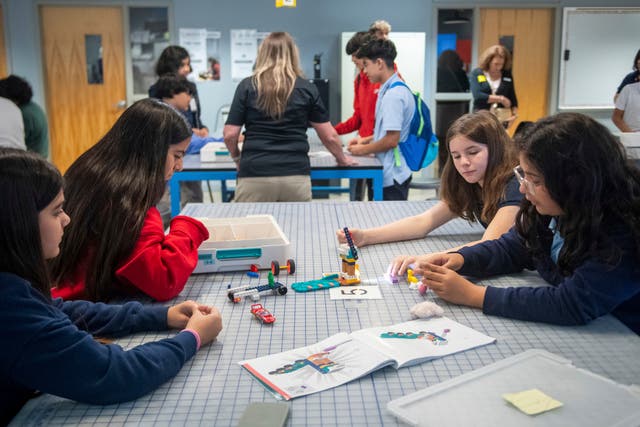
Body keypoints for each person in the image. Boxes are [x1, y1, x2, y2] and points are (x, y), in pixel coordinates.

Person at [0, 148, 223, 424]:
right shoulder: (12, 312)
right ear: (17, 224)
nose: (67, 219)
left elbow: (59, 310)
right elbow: (113, 373)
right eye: (56, 211)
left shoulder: (13, 285)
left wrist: (160, 316)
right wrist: (192, 338)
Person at [415, 113, 640, 334]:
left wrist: (473, 295)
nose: (523, 188)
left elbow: (572, 304)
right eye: (524, 176)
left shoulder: (623, 233)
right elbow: (513, 247)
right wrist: (460, 259)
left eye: (535, 180)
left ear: (574, 182)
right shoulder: (553, 208)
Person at [50, 99, 210, 302]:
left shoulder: (88, 170)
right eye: (177, 155)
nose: (180, 166)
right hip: (86, 308)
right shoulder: (131, 203)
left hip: (62, 294)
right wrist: (185, 230)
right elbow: (163, 280)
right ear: (153, 151)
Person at [340, 111, 522, 273]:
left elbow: (488, 245)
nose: (464, 162)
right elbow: (424, 222)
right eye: (456, 156)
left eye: (473, 152)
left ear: (496, 148)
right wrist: (365, 236)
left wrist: (429, 259)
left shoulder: (515, 185)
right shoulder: (470, 183)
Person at [223, 32, 354, 202]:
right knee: (296, 228)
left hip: (254, 173)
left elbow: (230, 134)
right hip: (295, 175)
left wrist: (237, 158)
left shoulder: (247, 86)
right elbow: (329, 136)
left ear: (262, 54)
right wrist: (341, 159)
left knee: (254, 228)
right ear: (293, 54)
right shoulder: (307, 88)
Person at [348, 38, 414, 200]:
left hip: (392, 177)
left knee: (387, 223)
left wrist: (361, 150)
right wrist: (366, 140)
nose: (364, 71)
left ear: (379, 63)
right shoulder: (391, 89)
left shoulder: (394, 95)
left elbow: (392, 140)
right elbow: (390, 131)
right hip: (388, 173)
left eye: (366, 65)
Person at [149, 46, 206, 206]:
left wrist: (202, 129)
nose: (187, 69)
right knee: (164, 202)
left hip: (191, 147)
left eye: (188, 65)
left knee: (193, 196)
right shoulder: (156, 91)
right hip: (170, 151)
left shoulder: (191, 88)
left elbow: (196, 116)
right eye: (183, 65)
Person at [335, 31, 377, 201]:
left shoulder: (387, 82)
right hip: (362, 151)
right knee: (356, 201)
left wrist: (367, 143)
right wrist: (331, 131)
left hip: (380, 152)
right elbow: (358, 118)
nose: (354, 62)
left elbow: (392, 131)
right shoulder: (359, 80)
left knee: (377, 203)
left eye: (356, 57)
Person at [469, 45, 518, 129]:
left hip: (502, 118)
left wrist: (514, 115)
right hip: (481, 118)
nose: (498, 67)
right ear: (488, 61)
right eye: (496, 64)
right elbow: (478, 96)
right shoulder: (477, 73)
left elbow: (512, 96)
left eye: (501, 64)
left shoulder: (507, 75)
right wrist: (501, 99)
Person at [0, 75, 49, 157]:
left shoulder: (23, 113)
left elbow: (14, 143)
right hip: (39, 158)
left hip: (32, 161)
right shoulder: (33, 107)